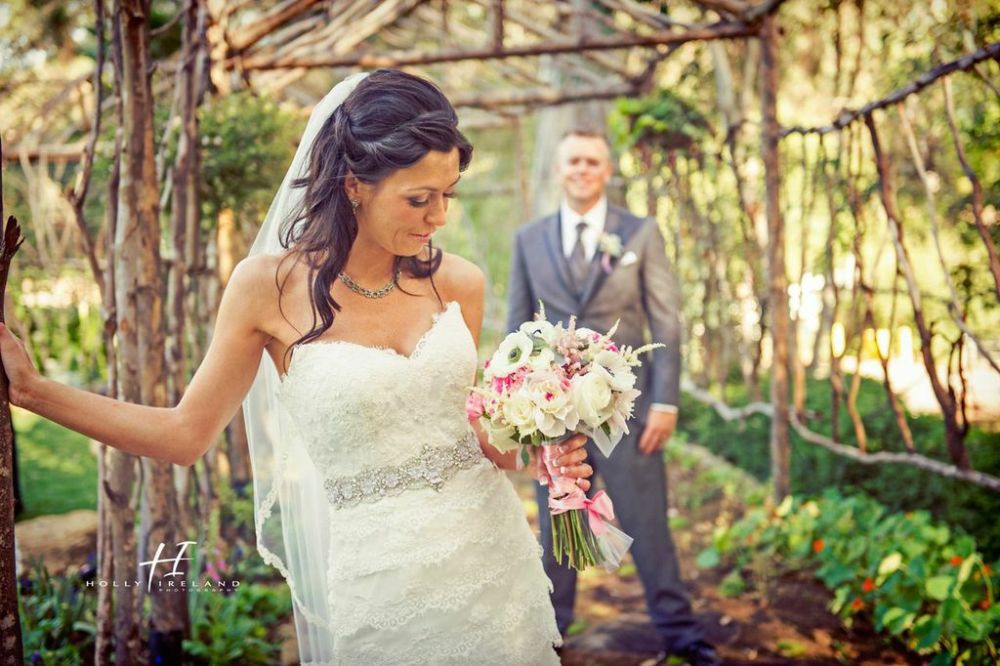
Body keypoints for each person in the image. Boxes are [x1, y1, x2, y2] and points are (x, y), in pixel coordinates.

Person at [0, 69, 595, 665]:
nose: (438, 216)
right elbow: (184, 436)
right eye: (419, 198)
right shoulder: (266, 289)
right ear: (355, 184)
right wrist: (31, 391)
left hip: (492, 563)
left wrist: (539, 444)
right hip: (384, 580)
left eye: (448, 194)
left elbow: (482, 440)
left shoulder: (459, 282)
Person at [506, 129, 719, 665]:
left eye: (592, 161)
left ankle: (681, 635)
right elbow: (516, 331)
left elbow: (667, 320)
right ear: (559, 169)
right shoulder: (528, 239)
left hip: (628, 414)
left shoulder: (640, 232)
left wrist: (665, 403)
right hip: (553, 419)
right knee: (561, 527)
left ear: (607, 170)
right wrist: (520, 417)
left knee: (649, 525)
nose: (582, 169)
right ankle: (552, 636)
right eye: (573, 160)